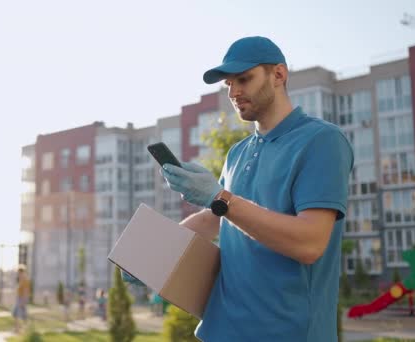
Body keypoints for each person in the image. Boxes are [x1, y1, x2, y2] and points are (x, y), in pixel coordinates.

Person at [126, 36, 354, 341]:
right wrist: (152, 254)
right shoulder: (238, 152)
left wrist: (220, 199)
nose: (234, 92)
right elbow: (213, 218)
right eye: (228, 85)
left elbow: (310, 244)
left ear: (279, 75)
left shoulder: (321, 141)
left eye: (244, 79)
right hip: (220, 331)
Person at [13, 264, 30, 334]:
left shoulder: (25, 280)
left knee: (22, 315)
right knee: (17, 314)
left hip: (22, 299)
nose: (19, 274)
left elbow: (26, 291)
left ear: (23, 272)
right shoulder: (20, 280)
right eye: (19, 272)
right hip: (19, 298)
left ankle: (23, 328)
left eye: (21, 272)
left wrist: (23, 301)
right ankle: (18, 328)